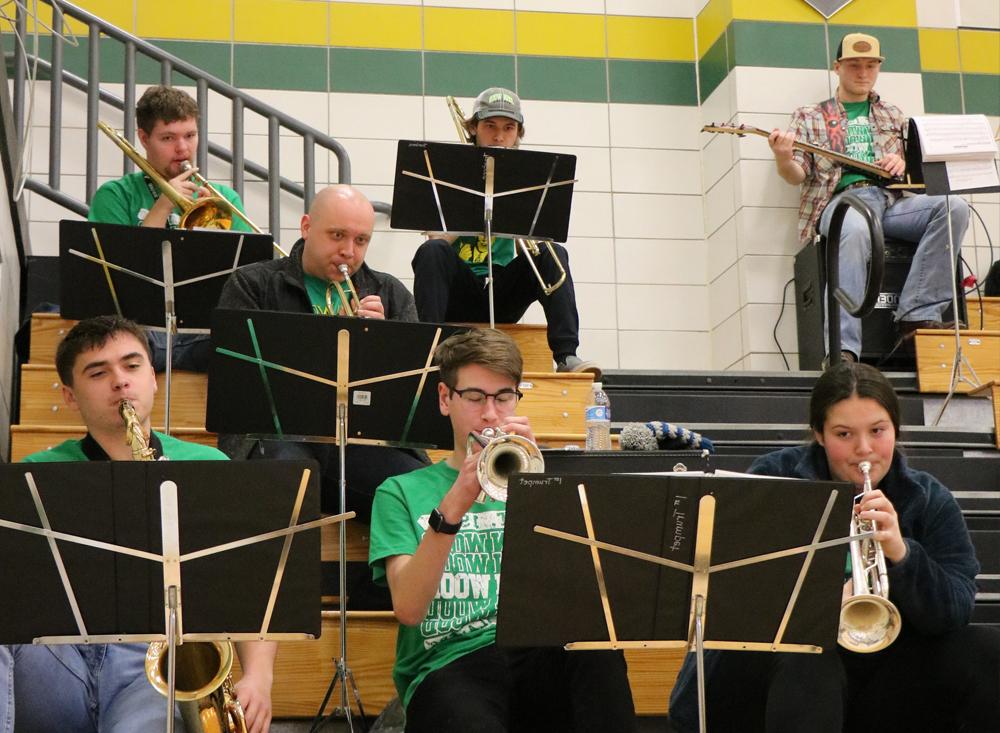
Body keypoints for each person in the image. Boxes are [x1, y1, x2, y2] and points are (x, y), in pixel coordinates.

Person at [668, 361, 1000, 733]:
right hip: (775, 673)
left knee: (987, 649)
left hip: (882, 680)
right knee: (809, 656)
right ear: (819, 434)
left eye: (878, 431)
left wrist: (901, 553)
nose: (864, 450)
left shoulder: (927, 498)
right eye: (844, 434)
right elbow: (733, 593)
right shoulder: (777, 478)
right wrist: (819, 601)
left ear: (895, 428)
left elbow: (955, 610)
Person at [0, 316, 275, 733]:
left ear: (153, 377)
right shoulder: (36, 474)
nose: (119, 382)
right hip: (56, 655)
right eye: (98, 372)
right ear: (70, 396)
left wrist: (259, 676)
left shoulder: (209, 467)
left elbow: (249, 585)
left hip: (151, 661)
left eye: (131, 366)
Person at [368, 328, 637, 732]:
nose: (491, 414)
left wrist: (541, 485)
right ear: (446, 399)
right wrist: (456, 499)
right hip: (449, 659)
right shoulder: (401, 491)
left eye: (504, 398)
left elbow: (581, 593)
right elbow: (408, 608)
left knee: (596, 652)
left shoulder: (538, 480)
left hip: (536, 651)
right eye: (475, 398)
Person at [217, 184, 427, 528]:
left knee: (422, 498)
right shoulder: (253, 284)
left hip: (362, 441)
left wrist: (387, 342)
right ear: (305, 228)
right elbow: (237, 383)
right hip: (279, 435)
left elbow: (410, 398)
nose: (348, 251)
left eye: (361, 241)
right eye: (337, 235)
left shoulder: (389, 292)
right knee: (291, 486)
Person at [768, 33, 969, 363]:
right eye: (854, 66)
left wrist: (903, 165)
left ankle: (917, 312)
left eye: (870, 66)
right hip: (841, 203)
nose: (863, 73)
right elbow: (797, 175)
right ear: (838, 68)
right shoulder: (811, 115)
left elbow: (914, 176)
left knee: (953, 207)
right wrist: (782, 156)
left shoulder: (893, 114)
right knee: (857, 228)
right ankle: (843, 349)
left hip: (890, 202)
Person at [411, 86, 600, 378]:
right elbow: (435, 243)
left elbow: (536, 244)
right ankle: (429, 350)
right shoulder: (447, 173)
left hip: (501, 292)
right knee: (431, 252)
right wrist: (469, 209)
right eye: (490, 126)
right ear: (473, 128)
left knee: (554, 254)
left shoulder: (526, 180)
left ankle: (566, 355)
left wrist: (515, 211)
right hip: (457, 292)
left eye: (508, 128)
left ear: (517, 134)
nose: (499, 136)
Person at [88, 85, 253, 372]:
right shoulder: (115, 195)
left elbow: (240, 280)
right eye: (168, 138)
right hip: (136, 327)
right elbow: (116, 277)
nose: (183, 148)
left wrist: (211, 228)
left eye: (190, 135)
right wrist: (164, 204)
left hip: (201, 329)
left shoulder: (225, 200)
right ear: (144, 138)